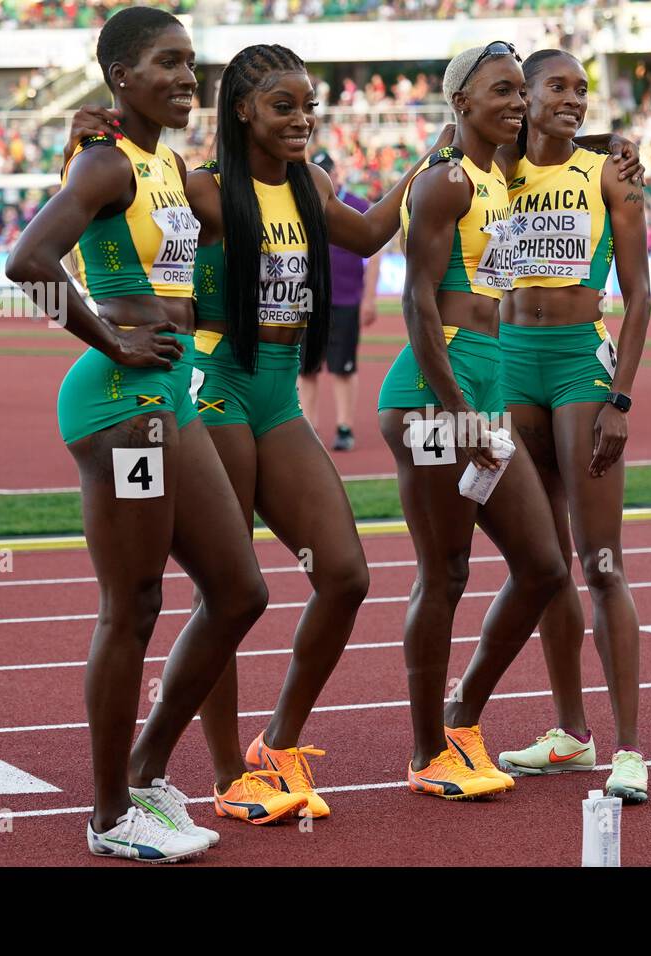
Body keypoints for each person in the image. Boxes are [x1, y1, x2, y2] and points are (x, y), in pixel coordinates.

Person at [63, 44, 453, 820]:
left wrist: (438, 151)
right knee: (229, 587)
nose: (303, 118)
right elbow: (101, 215)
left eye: (310, 105)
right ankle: (221, 774)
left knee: (344, 574)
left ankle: (275, 744)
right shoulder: (199, 189)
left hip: (280, 397)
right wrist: (83, 141)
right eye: (284, 106)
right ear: (241, 109)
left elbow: (374, 232)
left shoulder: (311, 184)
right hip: (216, 387)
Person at [6, 6, 271, 862]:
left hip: (168, 397)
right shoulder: (108, 163)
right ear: (123, 77)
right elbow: (27, 263)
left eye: (192, 62)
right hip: (123, 402)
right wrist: (112, 338)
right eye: (168, 62)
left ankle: (149, 770)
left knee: (240, 592)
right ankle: (110, 813)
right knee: (135, 608)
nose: (188, 76)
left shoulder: (164, 162)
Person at [377, 42, 642, 801]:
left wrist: (610, 144)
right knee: (456, 571)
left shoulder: (562, 168)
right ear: (479, 99)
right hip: (464, 385)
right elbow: (403, 278)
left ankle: (491, 724)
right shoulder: (470, 173)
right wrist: (458, 414)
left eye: (578, 88)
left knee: (570, 562)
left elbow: (563, 147)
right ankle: (450, 741)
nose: (548, 101)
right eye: (535, 88)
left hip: (529, 378)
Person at [492, 48, 651, 801]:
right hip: (507, 361)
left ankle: (629, 749)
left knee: (602, 560)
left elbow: (641, 294)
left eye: (583, 89)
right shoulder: (493, 171)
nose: (575, 98)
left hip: (577, 366)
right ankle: (570, 733)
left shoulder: (610, 174)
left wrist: (620, 400)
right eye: (558, 86)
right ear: (521, 96)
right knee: (547, 561)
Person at [296, 149, 382, 452]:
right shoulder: (300, 202)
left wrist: (369, 298)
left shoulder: (357, 205)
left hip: (345, 298)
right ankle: (308, 426)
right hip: (307, 299)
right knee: (305, 367)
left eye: (327, 172)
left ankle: (344, 426)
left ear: (334, 173)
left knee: (343, 368)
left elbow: (374, 253)